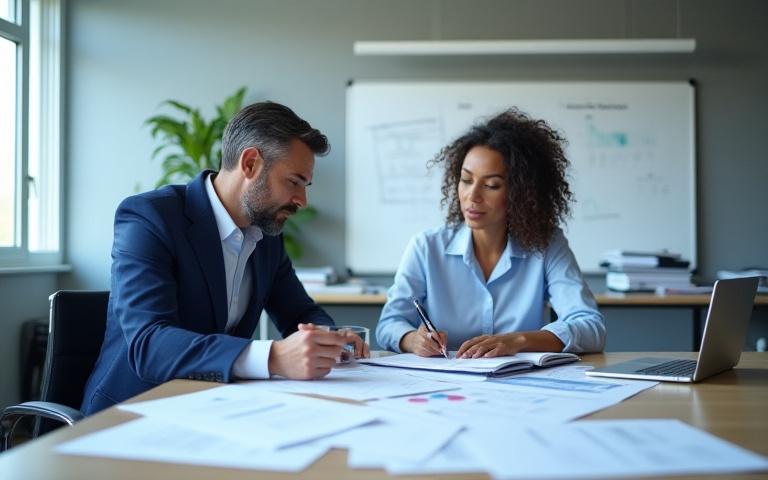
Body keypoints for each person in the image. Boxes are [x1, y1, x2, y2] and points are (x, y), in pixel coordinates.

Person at [82, 101, 367, 415]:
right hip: (133, 414)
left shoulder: (266, 236)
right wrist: (273, 357)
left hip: (216, 409)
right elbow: (150, 345)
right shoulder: (150, 218)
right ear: (250, 164)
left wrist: (329, 338)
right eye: (293, 182)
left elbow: (298, 311)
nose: (302, 200)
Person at [376, 108, 605, 358]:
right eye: (466, 180)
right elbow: (389, 324)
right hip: (445, 387)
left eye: (491, 185)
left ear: (520, 192)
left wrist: (517, 341)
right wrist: (413, 340)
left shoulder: (546, 244)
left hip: (519, 386)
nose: (472, 197)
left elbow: (591, 327)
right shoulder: (426, 247)